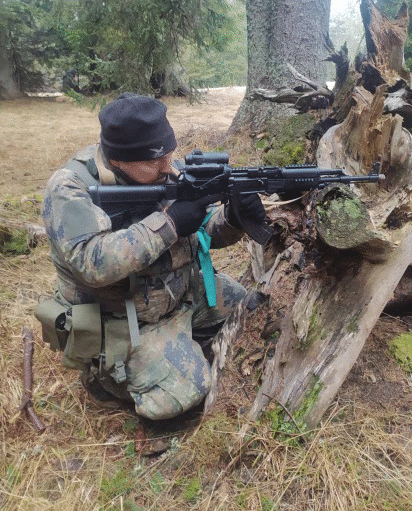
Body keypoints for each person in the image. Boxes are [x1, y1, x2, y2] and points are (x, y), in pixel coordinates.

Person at [35, 93, 265, 420]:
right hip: (123, 322)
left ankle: (178, 346)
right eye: (155, 162)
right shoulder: (71, 188)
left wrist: (234, 218)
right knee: (184, 395)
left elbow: (206, 232)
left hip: (178, 294)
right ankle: (105, 381)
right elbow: (91, 264)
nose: (168, 168)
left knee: (249, 311)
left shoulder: (167, 170)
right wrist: (168, 224)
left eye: (170, 155)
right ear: (118, 160)